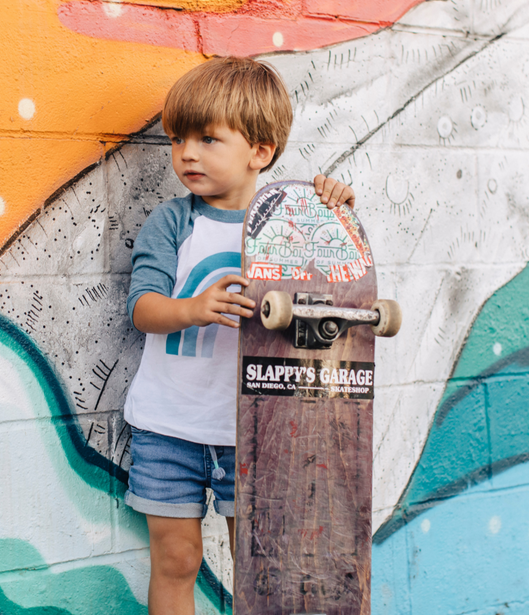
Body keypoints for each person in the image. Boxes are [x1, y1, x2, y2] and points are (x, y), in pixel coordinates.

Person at [123, 56, 355, 614]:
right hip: (167, 425)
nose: (188, 154)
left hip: (255, 430)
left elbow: (337, 292)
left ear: (260, 151)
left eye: (208, 138)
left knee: (257, 566)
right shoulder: (174, 222)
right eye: (178, 139)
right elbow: (142, 309)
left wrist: (334, 212)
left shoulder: (293, 221)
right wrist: (193, 308)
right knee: (176, 559)